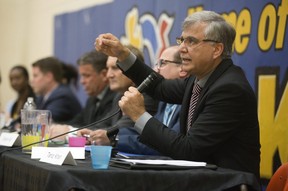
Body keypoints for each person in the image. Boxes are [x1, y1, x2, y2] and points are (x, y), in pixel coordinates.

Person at [94, 10, 260, 179]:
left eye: (191, 41)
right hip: (200, 178)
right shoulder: (200, 80)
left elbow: (189, 150)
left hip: (227, 183)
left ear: (216, 49)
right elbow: (159, 87)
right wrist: (122, 54)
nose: (182, 48)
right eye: (182, 40)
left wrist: (139, 115)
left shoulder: (229, 89)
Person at [77, 45, 158, 148]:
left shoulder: (146, 95)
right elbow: (106, 123)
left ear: (133, 69)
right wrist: (89, 132)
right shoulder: (119, 95)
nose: (109, 75)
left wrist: (99, 134)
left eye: (115, 68)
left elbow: (124, 127)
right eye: (108, 69)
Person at [31, 56, 82, 123]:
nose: (32, 81)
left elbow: (42, 121)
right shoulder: (42, 97)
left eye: (35, 76)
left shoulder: (62, 96)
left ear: (49, 77)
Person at [6, 65, 35, 131]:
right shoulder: (15, 103)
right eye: (11, 79)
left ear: (26, 78)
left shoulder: (34, 100)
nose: (14, 82)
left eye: (17, 78)